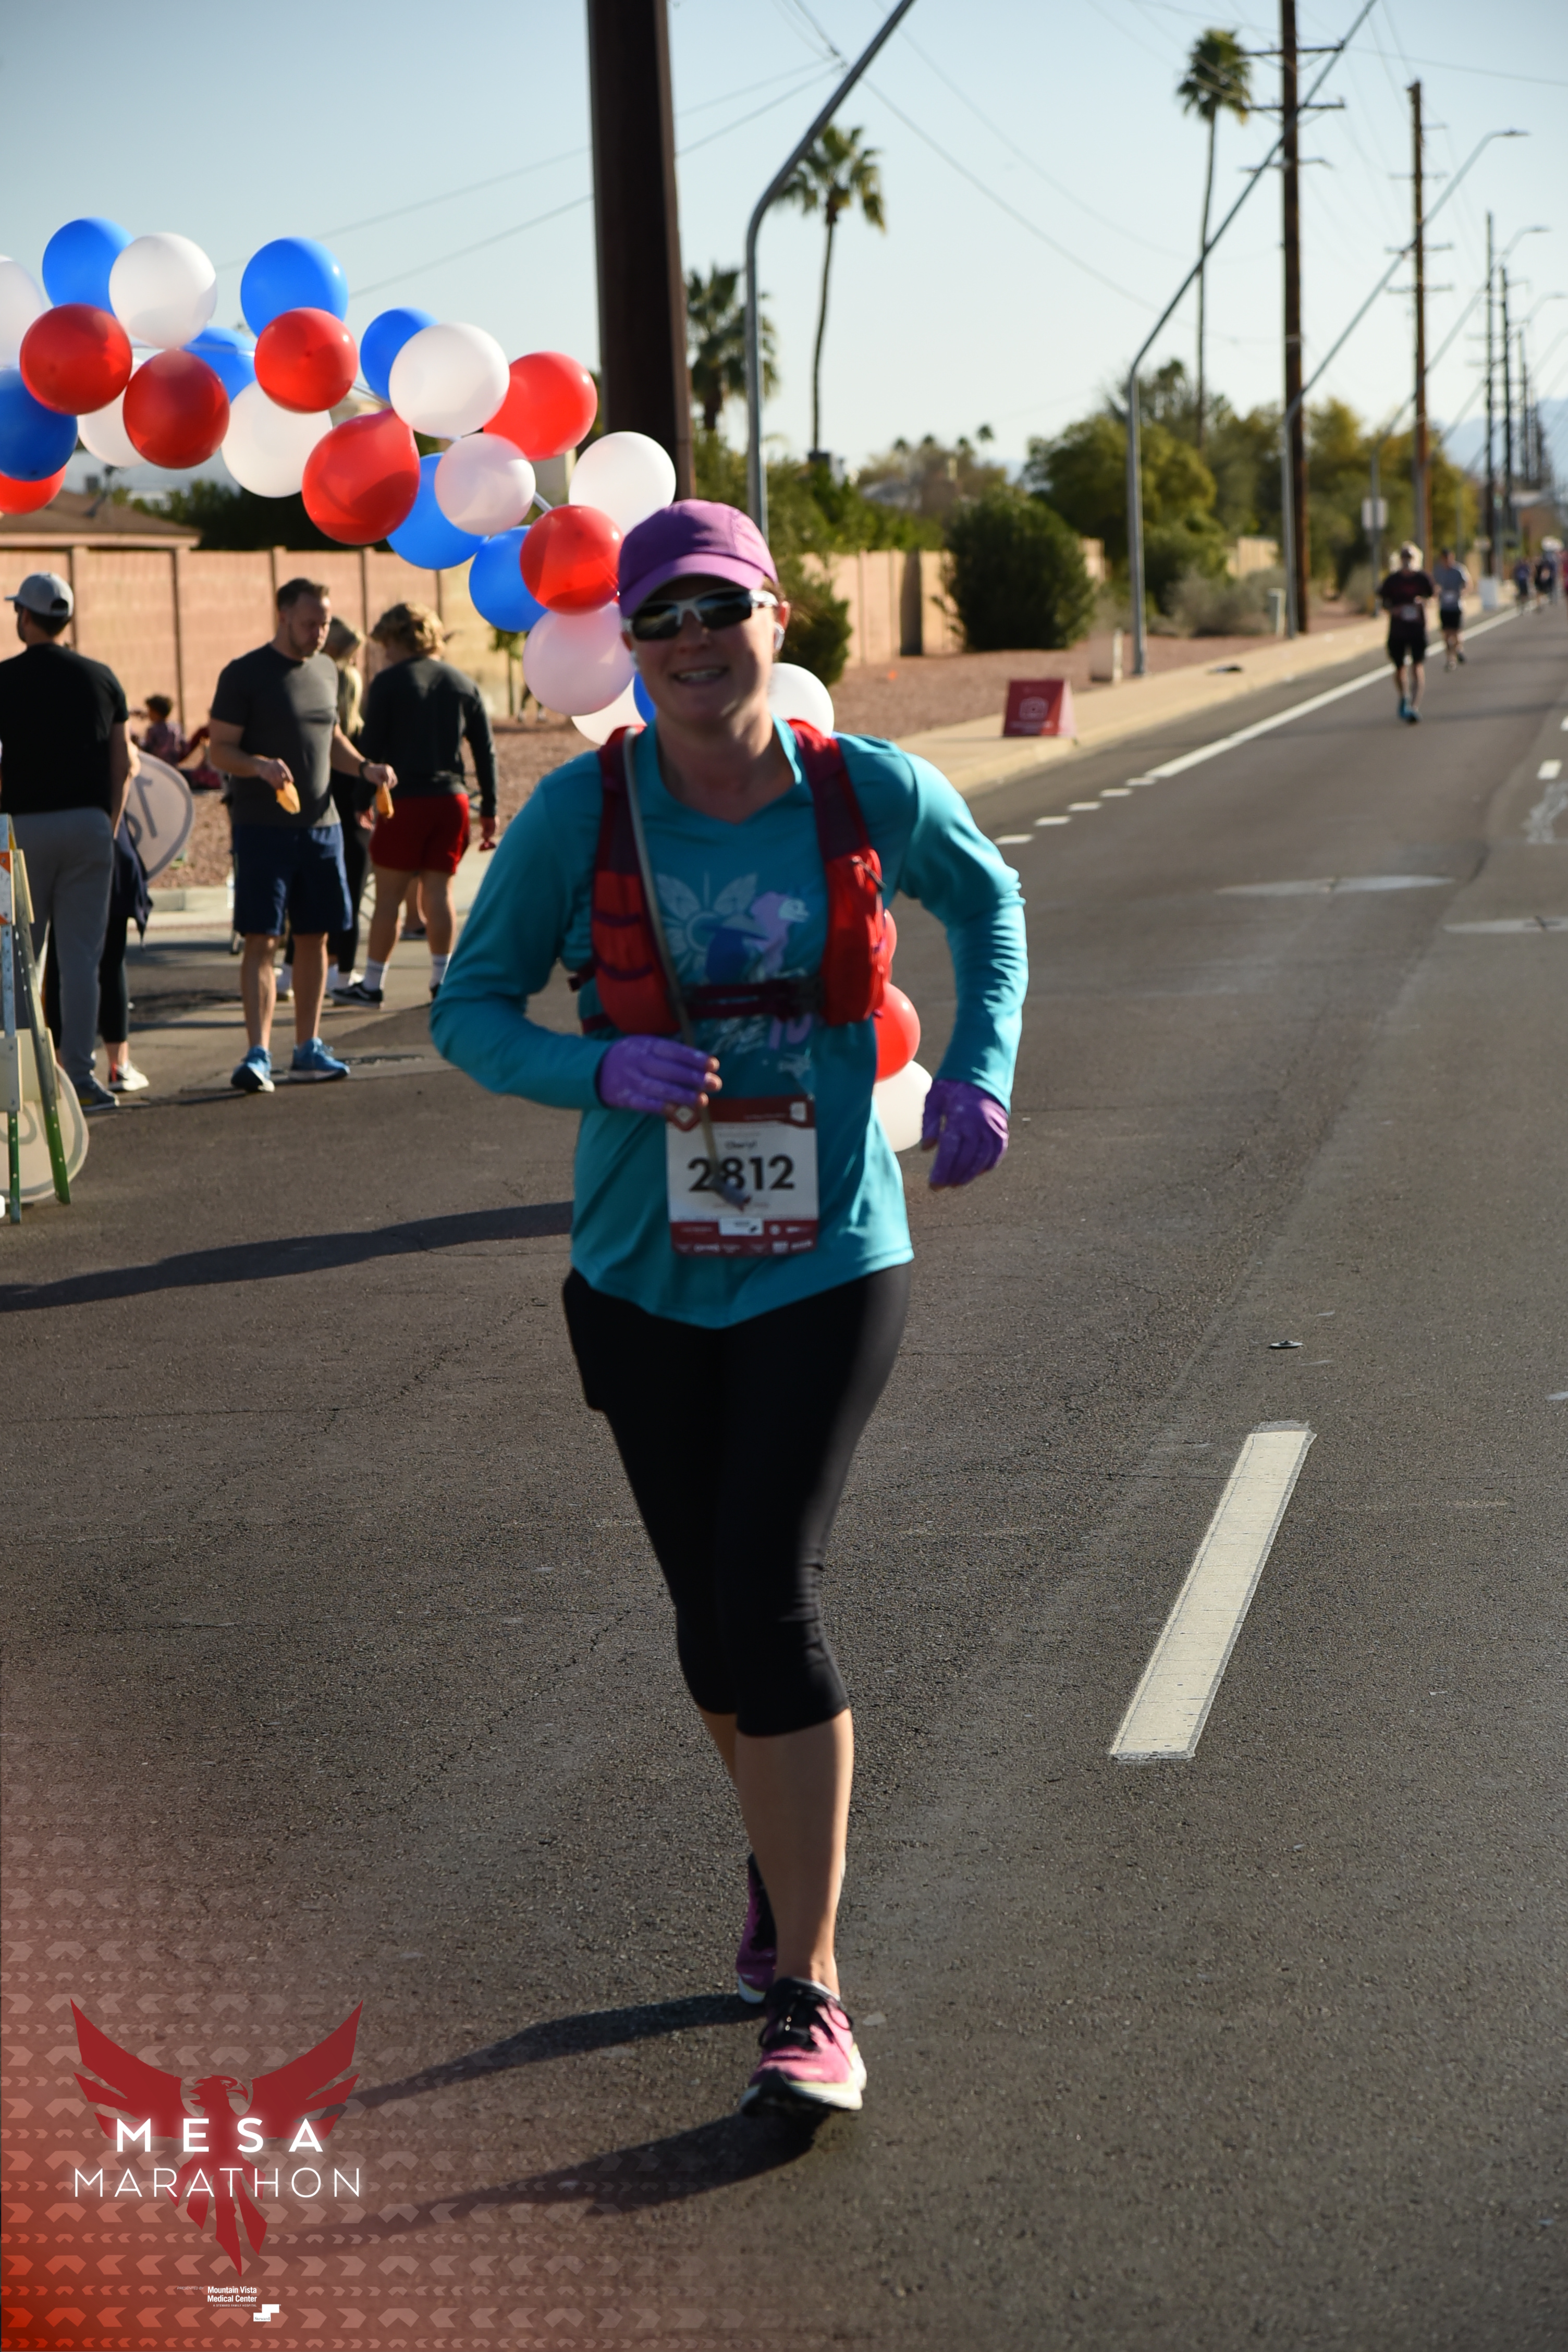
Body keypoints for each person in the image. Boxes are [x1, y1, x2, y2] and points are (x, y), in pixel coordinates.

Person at [433, 500, 1025, 2120]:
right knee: (707, 1617)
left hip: (830, 1252)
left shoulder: (866, 786)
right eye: (661, 618)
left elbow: (988, 906)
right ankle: (781, 1849)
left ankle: (810, 1989)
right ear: (630, 645)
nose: (693, 640)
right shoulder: (579, 814)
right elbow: (468, 1009)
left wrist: (978, 1070)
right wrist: (594, 1067)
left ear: (776, 615)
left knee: (769, 1593)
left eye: (719, 607)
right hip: (643, 1265)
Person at [206, 578, 396, 1093]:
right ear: (283, 616)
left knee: (316, 936)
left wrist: (366, 768)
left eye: (326, 623)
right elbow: (219, 750)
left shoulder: (327, 670)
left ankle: (308, 1048)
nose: (319, 633)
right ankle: (258, 1053)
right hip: (262, 829)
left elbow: (330, 737)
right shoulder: (244, 674)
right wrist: (258, 766)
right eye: (311, 623)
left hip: (323, 827)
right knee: (262, 939)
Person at [0, 570, 137, 1111]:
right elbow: (123, 764)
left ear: (25, 617)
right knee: (81, 959)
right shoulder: (102, 678)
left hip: (22, 829)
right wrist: (108, 823)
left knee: (19, 958)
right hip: (88, 824)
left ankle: (20, 1083)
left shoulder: (5, 678)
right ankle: (79, 1076)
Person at [339, 602, 496, 1006]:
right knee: (439, 892)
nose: (384, 652)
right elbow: (485, 750)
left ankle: (372, 984)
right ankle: (443, 980)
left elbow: (372, 744)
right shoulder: (462, 683)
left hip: (404, 800)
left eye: (386, 644)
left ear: (398, 639)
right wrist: (490, 807)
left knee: (389, 898)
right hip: (451, 800)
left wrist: (361, 798)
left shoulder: (389, 683)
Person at [1378, 543, 1436, 724]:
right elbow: (1383, 601)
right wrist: (1393, 610)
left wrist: (1422, 603)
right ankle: (1404, 696)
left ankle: (1414, 706)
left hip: (1417, 629)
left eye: (1410, 557)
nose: (1406, 561)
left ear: (1416, 559)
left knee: (1417, 666)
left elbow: (1432, 595)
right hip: (1398, 630)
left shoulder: (1422, 578)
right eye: (1404, 557)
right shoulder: (1393, 580)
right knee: (1399, 668)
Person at [1431, 546, 1470, 670]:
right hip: (1444, 607)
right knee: (1447, 635)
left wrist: (1462, 593)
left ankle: (1458, 649)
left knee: (1457, 634)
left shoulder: (1459, 570)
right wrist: (1436, 593)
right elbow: (1434, 585)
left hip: (1456, 606)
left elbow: (1467, 584)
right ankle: (1450, 660)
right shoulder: (1438, 571)